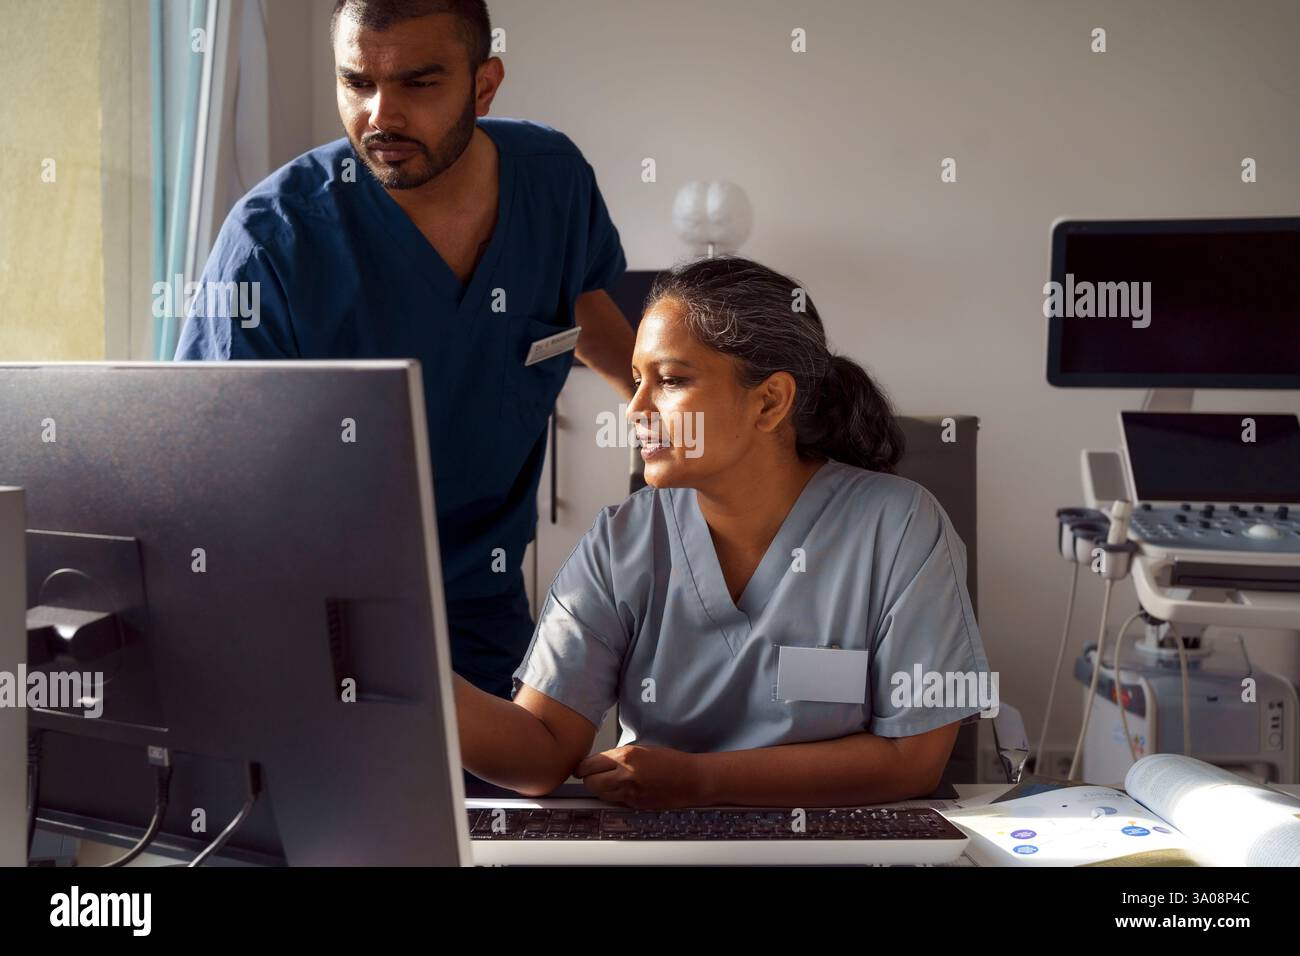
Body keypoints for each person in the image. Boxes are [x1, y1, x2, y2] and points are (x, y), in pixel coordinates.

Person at [175, 0, 634, 700]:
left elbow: (583, 304)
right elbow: (210, 474)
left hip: (485, 607)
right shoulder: (272, 242)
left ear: (484, 85)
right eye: (357, 83)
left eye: (418, 83)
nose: (381, 116)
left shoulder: (554, 181)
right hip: (320, 621)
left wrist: (667, 422)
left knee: (514, 772)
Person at [455, 256, 992, 809]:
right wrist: (420, 675)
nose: (635, 409)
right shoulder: (620, 542)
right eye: (637, 381)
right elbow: (542, 753)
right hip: (661, 843)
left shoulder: (900, 524)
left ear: (769, 401)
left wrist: (698, 781)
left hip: (844, 842)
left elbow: (913, 760)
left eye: (670, 380)